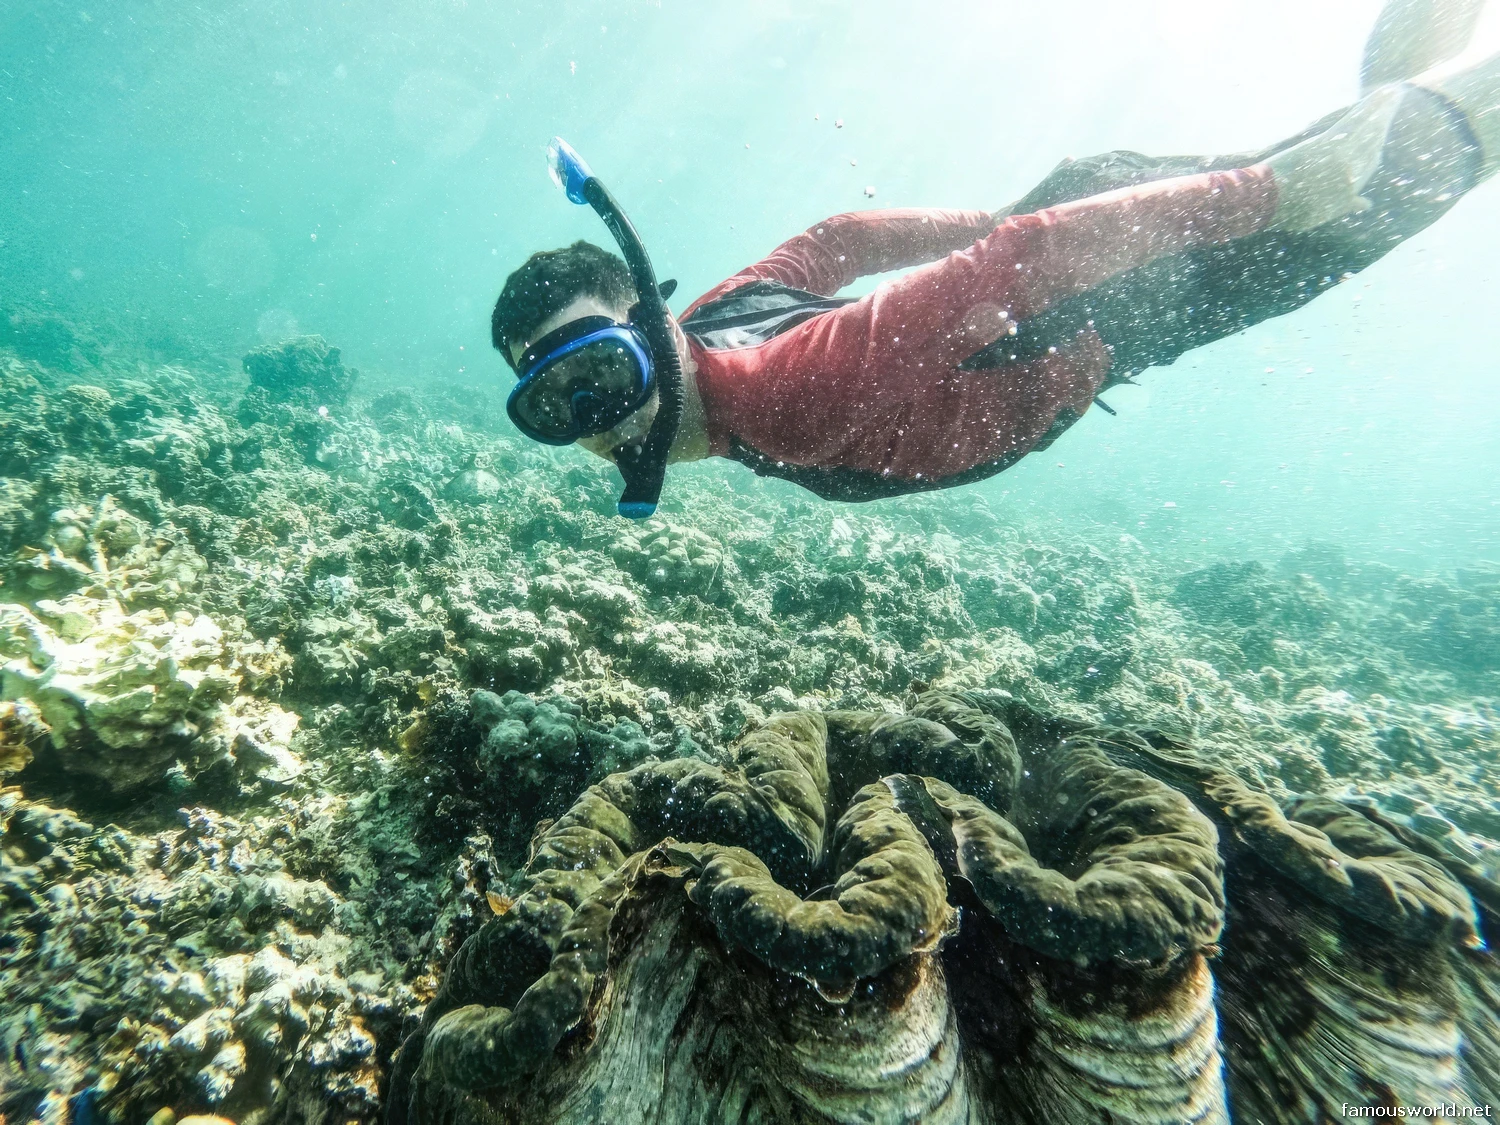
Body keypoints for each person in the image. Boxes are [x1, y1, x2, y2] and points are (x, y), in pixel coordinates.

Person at [491, 0, 1498, 507]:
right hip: (1102, 228)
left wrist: (1267, 200)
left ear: (648, 331)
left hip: (1140, 277)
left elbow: (1011, 267)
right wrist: (1003, 223)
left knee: (1401, 174)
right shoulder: (713, 319)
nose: (599, 426)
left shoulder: (782, 401)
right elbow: (838, 243)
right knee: (1381, 144)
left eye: (596, 376)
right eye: (554, 407)